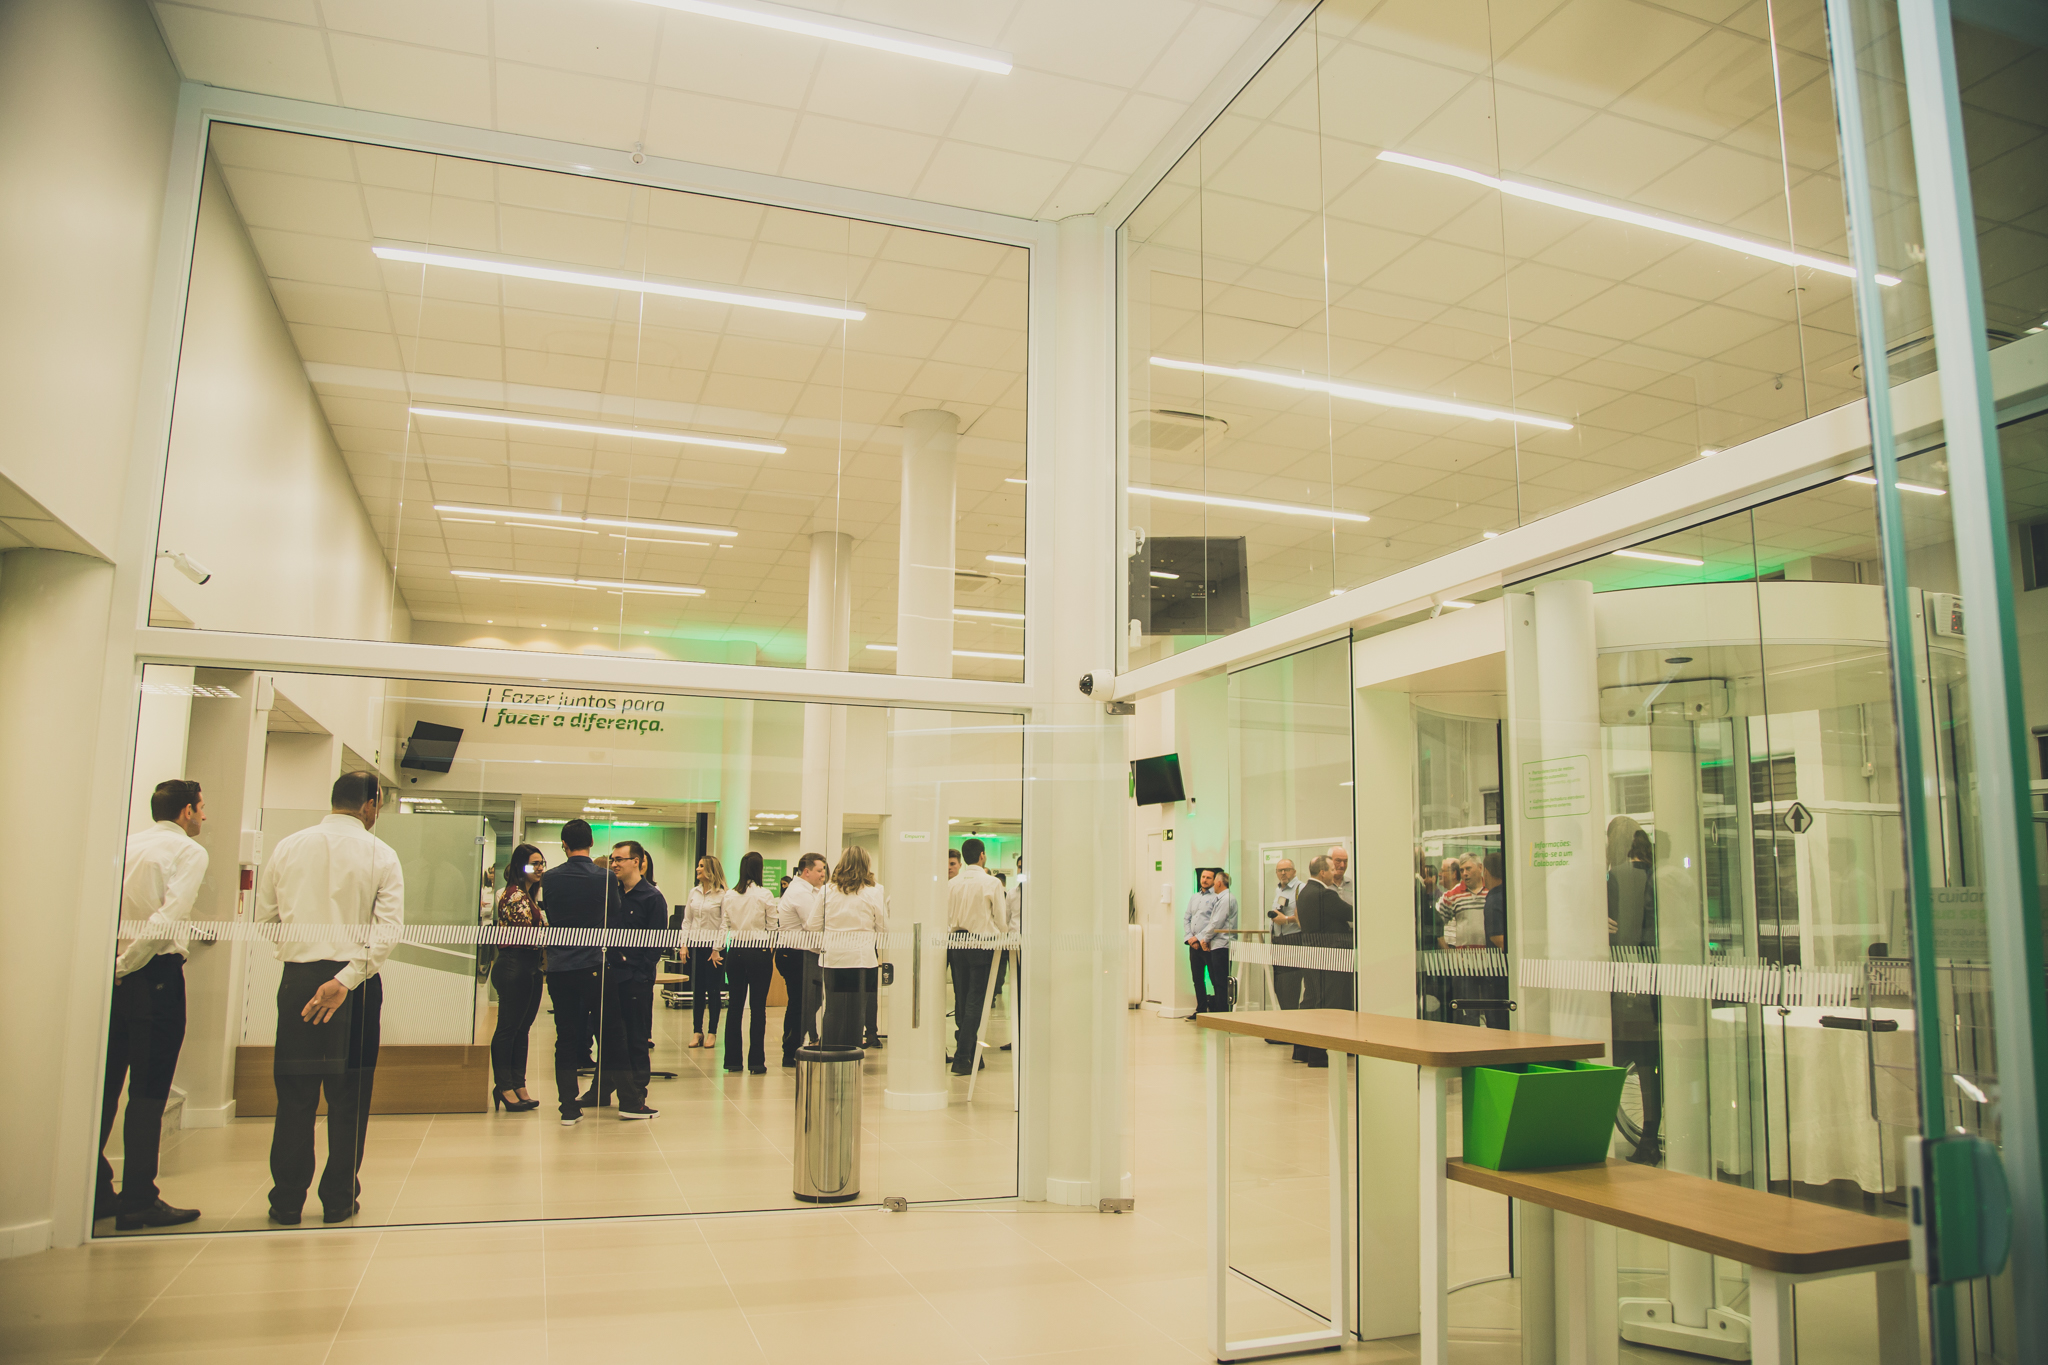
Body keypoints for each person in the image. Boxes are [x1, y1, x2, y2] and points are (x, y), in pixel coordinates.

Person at [254, 771, 403, 1224]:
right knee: (349, 1096)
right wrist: (344, 979)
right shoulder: (381, 854)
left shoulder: (288, 847)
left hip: (299, 982)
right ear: (370, 804)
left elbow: (266, 920)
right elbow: (387, 933)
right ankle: (338, 1199)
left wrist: (305, 960)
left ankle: (286, 1202)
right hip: (355, 987)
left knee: (295, 1095)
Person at [97, 779, 209, 1229]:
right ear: (186, 812)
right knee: (148, 1091)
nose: (204, 816)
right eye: (201, 807)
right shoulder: (188, 851)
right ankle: (139, 1199)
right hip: (152, 975)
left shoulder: (126, 845)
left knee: (105, 1086)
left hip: (112, 978)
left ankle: (96, 1191)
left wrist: (114, 966)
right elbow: (168, 916)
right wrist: (128, 963)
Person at [536, 820, 609, 1126]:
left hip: (560, 966)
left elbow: (551, 914)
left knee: (565, 1037)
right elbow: (614, 915)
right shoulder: (605, 877)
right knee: (606, 1032)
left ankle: (568, 1106)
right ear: (591, 843)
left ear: (563, 845)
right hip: (593, 965)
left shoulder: (550, 878)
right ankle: (609, 1092)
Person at [590, 840, 664, 1118]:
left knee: (636, 1038)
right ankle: (601, 1089)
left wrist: (641, 975)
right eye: (613, 859)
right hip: (611, 976)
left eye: (620, 859)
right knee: (609, 1037)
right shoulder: (613, 894)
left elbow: (656, 943)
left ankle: (637, 1093)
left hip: (635, 980)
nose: (614, 864)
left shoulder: (652, 897)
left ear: (637, 861)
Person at [1607, 818, 1660, 1163]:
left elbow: (1624, 936)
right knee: (1649, 1067)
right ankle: (1650, 1139)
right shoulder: (1654, 874)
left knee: (1621, 1062)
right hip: (1652, 986)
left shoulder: (1620, 877)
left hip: (1628, 988)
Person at [487, 844, 546, 1113]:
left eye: (542, 863)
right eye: (534, 863)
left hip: (530, 966)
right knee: (508, 1029)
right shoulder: (514, 895)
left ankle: (517, 1084)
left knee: (522, 1029)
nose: (539, 868)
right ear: (521, 866)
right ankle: (504, 1086)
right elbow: (526, 934)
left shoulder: (529, 895)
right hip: (515, 965)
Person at [946, 837, 1007, 1076]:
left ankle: (972, 1054)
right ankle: (963, 1057)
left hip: (956, 943)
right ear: (982, 856)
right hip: (982, 944)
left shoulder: (952, 884)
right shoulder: (991, 882)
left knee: (961, 998)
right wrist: (1004, 936)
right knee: (976, 1000)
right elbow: (1000, 919)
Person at [818, 845, 889, 1047]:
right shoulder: (873, 892)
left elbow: (813, 924)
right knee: (857, 1012)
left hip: (833, 958)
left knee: (833, 1010)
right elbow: (884, 928)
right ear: (866, 865)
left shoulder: (826, 891)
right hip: (862, 959)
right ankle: (852, 1053)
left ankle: (829, 1051)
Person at [718, 851, 776, 1074]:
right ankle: (756, 1062)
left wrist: (718, 948)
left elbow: (725, 925)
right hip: (759, 951)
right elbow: (772, 927)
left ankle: (732, 1061)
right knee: (758, 1008)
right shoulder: (765, 894)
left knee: (735, 1007)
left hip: (735, 952)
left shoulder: (730, 895)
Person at [1296, 857, 1355, 1067]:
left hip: (1312, 952)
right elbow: (1350, 913)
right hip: (1330, 954)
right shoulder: (1325, 894)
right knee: (1328, 1003)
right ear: (1322, 872)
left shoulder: (1304, 892)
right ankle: (1319, 1054)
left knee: (1312, 1000)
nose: (1335, 872)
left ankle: (1302, 1050)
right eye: (1331, 869)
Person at [776, 853, 827, 1067]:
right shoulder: (800, 893)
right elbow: (813, 924)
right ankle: (790, 1051)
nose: (823, 874)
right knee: (800, 1003)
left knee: (808, 1002)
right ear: (806, 871)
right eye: (819, 870)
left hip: (801, 953)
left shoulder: (809, 891)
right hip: (795, 954)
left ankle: (794, 1045)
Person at [681, 854, 729, 1048]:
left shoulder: (723, 895)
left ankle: (712, 1032)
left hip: (715, 949)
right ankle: (697, 1031)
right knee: (698, 990)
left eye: (701, 866)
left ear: (710, 870)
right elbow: (687, 920)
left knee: (714, 990)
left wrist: (717, 948)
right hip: (697, 945)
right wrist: (684, 944)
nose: (697, 869)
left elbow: (725, 924)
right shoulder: (694, 892)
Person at [1184, 868, 1236, 1016]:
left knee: (1217, 980)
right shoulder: (1194, 897)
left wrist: (1201, 938)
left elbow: (1214, 922)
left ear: (1215, 881)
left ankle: (1219, 1011)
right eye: (1203, 877)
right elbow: (1187, 918)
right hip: (1195, 943)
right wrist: (1190, 938)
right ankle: (1201, 1009)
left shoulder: (1218, 898)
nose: (1204, 880)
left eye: (1208, 877)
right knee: (1197, 979)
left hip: (1210, 944)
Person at [1268, 858, 1303, 1024]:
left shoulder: (1300, 889)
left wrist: (1287, 920)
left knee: (1290, 986)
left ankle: (1292, 1024)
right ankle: (1285, 1023)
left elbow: (1305, 916)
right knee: (1279, 986)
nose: (1283, 873)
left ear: (1294, 871)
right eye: (1280, 870)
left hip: (1293, 940)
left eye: (1286, 870)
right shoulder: (1279, 890)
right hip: (1278, 941)